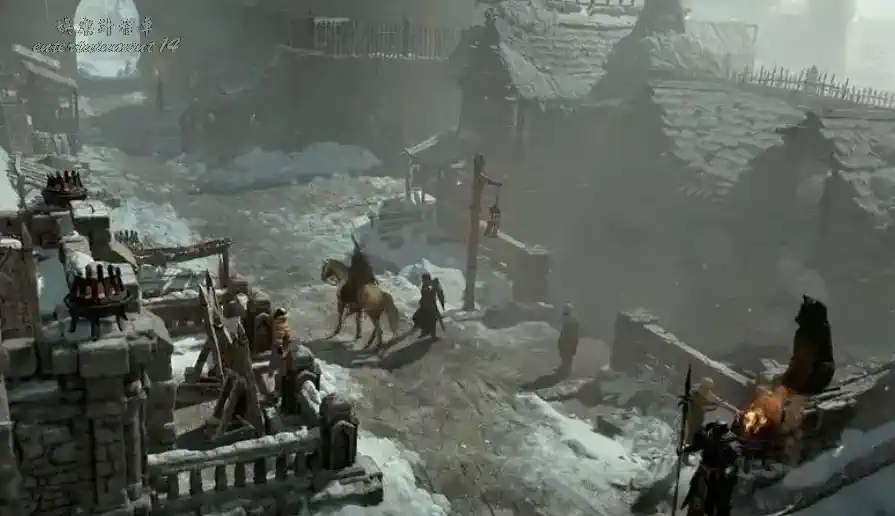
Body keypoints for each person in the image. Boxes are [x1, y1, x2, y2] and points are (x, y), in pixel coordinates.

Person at [776, 295, 835, 396]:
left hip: (812, 377)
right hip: (821, 375)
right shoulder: (821, 329)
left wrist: (787, 383)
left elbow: (803, 364)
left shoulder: (806, 334)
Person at [681, 421, 741, 516]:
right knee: (698, 503)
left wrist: (728, 470)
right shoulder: (708, 435)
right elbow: (696, 447)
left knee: (721, 504)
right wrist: (684, 450)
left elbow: (735, 460)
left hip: (721, 478)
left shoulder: (732, 441)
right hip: (706, 475)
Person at [412, 273, 445, 338]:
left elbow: (435, 292)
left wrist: (442, 305)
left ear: (427, 279)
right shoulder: (425, 285)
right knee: (418, 318)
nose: (422, 281)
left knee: (432, 320)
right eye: (422, 280)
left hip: (431, 306)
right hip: (424, 306)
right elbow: (424, 293)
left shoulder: (431, 285)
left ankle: (433, 335)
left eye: (423, 280)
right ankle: (425, 331)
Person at [557, 303, 579, 376]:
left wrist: (574, 344)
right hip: (565, 340)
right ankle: (564, 368)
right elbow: (563, 331)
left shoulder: (573, 321)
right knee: (564, 355)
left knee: (567, 356)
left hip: (569, 341)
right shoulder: (567, 319)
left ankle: (566, 371)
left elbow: (574, 333)